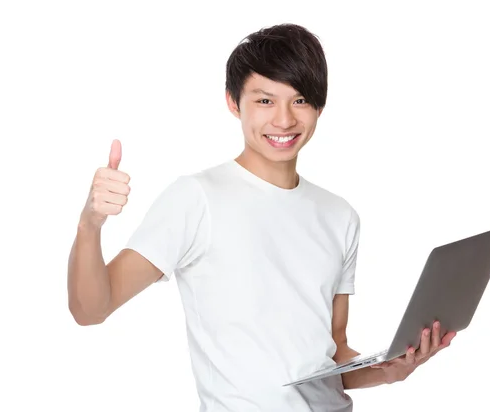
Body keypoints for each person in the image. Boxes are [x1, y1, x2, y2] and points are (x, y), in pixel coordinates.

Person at [68, 23, 456, 411]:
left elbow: (333, 353)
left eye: (300, 100)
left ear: (319, 105)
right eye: (265, 101)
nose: (284, 120)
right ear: (233, 103)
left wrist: (390, 370)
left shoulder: (341, 216)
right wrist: (90, 223)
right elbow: (90, 310)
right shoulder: (196, 198)